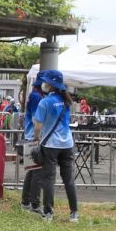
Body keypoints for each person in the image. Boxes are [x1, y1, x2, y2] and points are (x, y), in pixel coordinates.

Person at [33, 69, 79, 222]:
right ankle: (74, 213)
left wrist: (36, 138)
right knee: (68, 180)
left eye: (46, 81)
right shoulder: (66, 100)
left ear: (50, 84)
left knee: (48, 179)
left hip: (51, 144)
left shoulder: (45, 102)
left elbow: (38, 125)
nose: (44, 84)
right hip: (67, 144)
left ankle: (48, 212)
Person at [21, 72, 46, 212]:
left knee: (32, 171)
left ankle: (26, 202)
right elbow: (38, 120)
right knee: (37, 171)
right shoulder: (37, 97)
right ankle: (35, 204)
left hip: (31, 136)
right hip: (34, 137)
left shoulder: (34, 95)